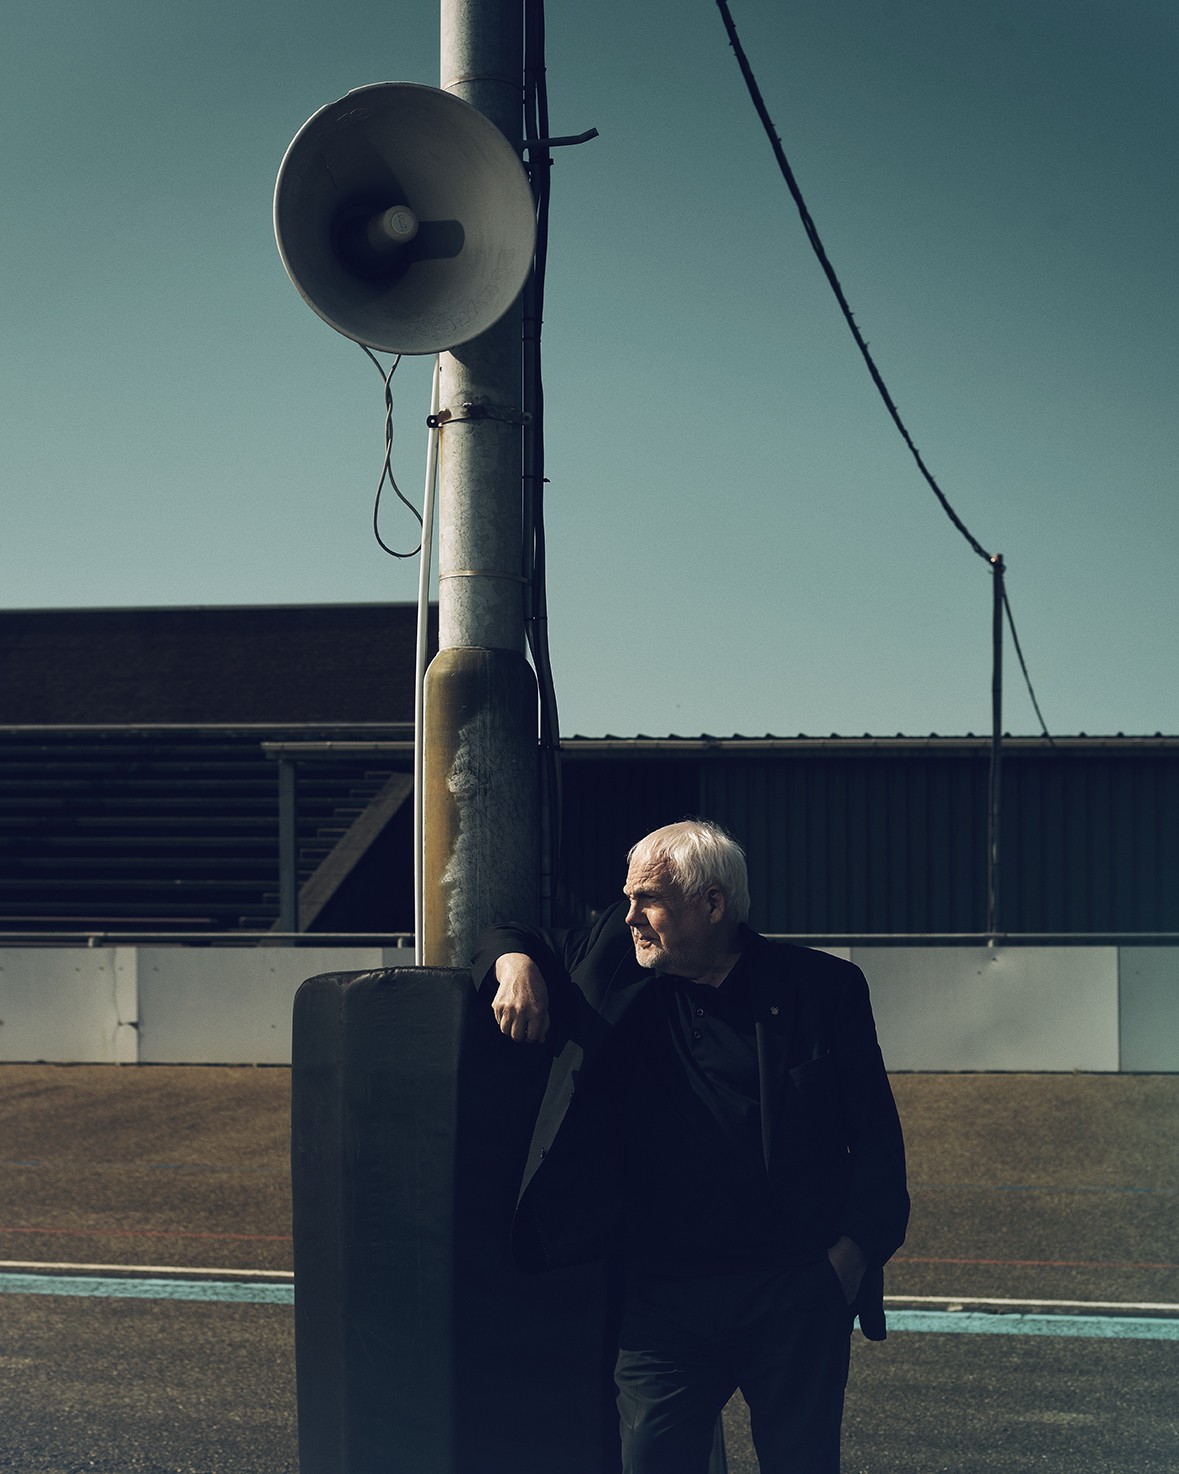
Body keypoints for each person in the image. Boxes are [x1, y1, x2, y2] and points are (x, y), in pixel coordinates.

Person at [472, 819, 909, 1474]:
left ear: (712, 904)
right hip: (662, 1299)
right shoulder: (613, 959)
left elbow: (875, 1138)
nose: (629, 917)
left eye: (648, 899)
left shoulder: (822, 989)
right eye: (627, 898)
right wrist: (514, 967)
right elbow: (506, 934)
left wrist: (845, 1262)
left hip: (790, 1288)